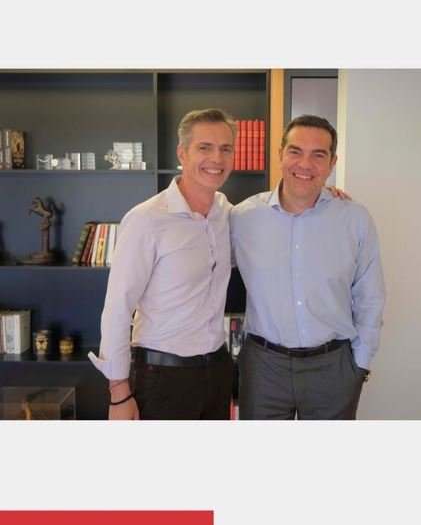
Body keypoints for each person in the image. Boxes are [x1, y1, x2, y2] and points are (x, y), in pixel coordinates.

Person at [230, 114, 386, 420]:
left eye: (318, 155)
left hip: (333, 367)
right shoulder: (242, 217)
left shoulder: (354, 219)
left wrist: (360, 364)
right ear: (280, 155)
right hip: (263, 367)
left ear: (332, 163)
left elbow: (370, 297)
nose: (305, 164)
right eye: (295, 151)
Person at [88, 108, 237, 420]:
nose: (217, 158)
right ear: (182, 153)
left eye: (226, 148)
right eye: (205, 147)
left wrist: (323, 193)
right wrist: (119, 392)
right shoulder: (146, 219)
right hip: (162, 377)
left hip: (217, 372)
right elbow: (117, 307)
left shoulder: (227, 213)